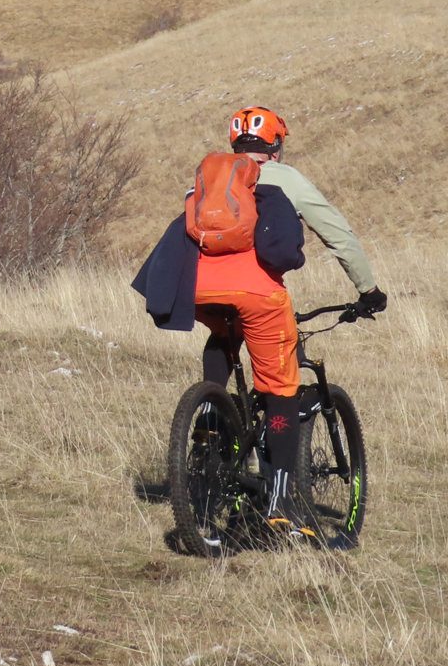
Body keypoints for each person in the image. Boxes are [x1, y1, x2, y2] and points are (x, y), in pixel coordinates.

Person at [134, 105, 385, 539]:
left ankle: (211, 431)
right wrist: (368, 291)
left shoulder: (215, 178)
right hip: (256, 295)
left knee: (222, 340)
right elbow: (338, 234)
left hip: (197, 292)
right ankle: (280, 505)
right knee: (279, 386)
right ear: (276, 145)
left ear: (237, 144)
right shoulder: (285, 179)